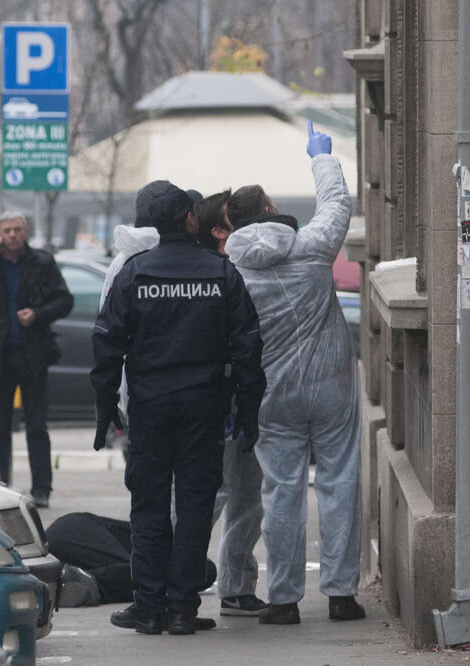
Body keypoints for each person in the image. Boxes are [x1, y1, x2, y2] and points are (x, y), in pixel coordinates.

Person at [92, 184, 266, 636]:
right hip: (203, 406)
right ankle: (183, 608)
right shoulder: (220, 273)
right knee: (194, 504)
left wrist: (105, 403)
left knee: (149, 505)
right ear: (190, 219)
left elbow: (107, 341)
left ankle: (150, 608)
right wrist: (248, 408)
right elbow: (247, 345)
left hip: (150, 406)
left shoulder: (135, 273)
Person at [224, 121, 364, 625]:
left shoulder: (233, 272)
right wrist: (320, 158)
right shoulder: (312, 246)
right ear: (269, 209)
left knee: (280, 491)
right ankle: (341, 594)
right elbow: (337, 204)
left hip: (272, 394)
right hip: (332, 386)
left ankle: (283, 600)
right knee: (339, 481)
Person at [0, 211, 73, 508]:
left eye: (17, 229)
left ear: (26, 232)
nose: (12, 235)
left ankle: (42, 489)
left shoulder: (42, 262)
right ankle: (0, 485)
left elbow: (65, 300)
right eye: (7, 230)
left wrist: (38, 315)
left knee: (36, 426)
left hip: (33, 355)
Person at [193, 191, 268, 617]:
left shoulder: (238, 267)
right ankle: (174, 582)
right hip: (220, 402)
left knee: (247, 497)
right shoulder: (216, 274)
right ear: (220, 232)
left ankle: (236, 587)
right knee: (212, 494)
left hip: (242, 399)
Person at [45, 512, 216, 610]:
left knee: (200, 570)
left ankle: (79, 582)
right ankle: (82, 583)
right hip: (70, 533)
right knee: (145, 575)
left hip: (66, 533)